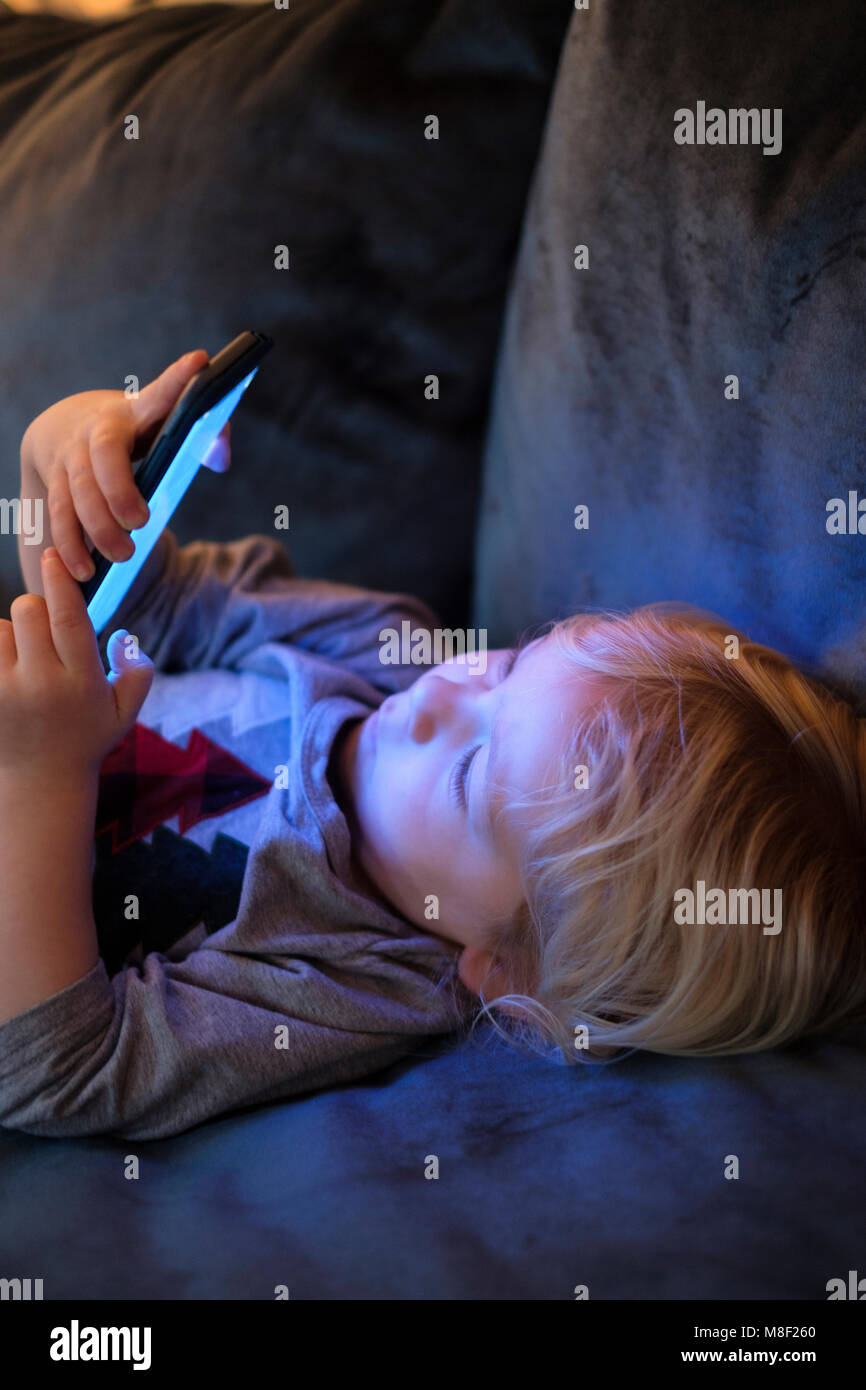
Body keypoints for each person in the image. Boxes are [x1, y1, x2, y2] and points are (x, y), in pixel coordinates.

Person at [1, 351, 864, 1141]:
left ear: (505, 970)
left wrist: (40, 774)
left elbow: (61, 1070)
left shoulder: (357, 978)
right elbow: (137, 601)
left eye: (466, 776)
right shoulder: (383, 647)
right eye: (509, 669)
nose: (434, 700)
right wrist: (68, 463)